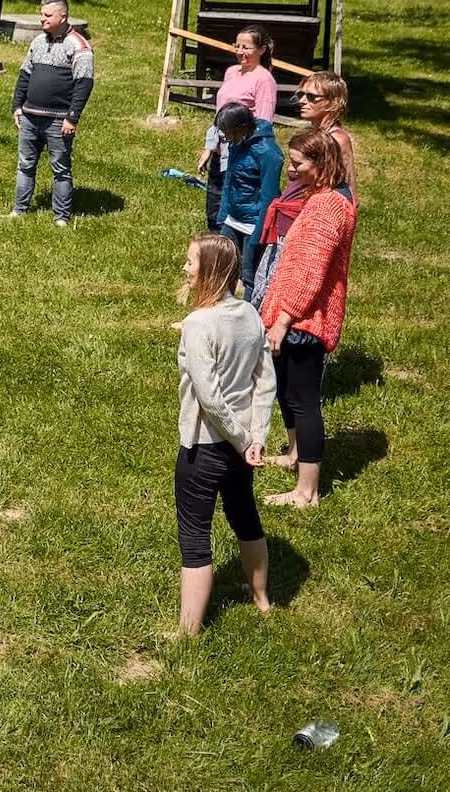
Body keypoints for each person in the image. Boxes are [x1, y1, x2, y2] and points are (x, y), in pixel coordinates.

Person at [173, 232, 277, 635]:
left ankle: (188, 631)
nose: (185, 267)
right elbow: (264, 380)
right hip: (241, 449)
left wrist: (240, 437)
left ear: (211, 271)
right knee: (244, 516)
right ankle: (262, 599)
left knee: (195, 535)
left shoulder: (201, 325)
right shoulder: (250, 314)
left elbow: (209, 395)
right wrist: (257, 437)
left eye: (191, 262)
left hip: (205, 446)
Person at [253, 128, 357, 508]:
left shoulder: (329, 206)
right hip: (293, 315)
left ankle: (307, 490)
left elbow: (310, 271)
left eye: (298, 165)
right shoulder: (321, 199)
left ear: (323, 163)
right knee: (288, 392)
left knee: (304, 400)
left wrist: (284, 318)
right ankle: (296, 454)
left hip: (305, 320)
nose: (292, 171)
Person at [10, 0, 94, 226]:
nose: (42, 19)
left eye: (47, 15)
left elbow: (84, 83)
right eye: (41, 14)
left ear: (63, 16)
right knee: (25, 165)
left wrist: (72, 118)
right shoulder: (37, 42)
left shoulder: (79, 46)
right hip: (29, 117)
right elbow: (25, 74)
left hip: (58, 121)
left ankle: (61, 217)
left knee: (60, 169)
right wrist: (17, 106)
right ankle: (20, 209)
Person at [200, 26, 277, 228]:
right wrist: (209, 147)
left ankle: (230, 253)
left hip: (241, 153)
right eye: (237, 46)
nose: (240, 52)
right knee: (213, 208)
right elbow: (220, 114)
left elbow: (263, 123)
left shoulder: (264, 80)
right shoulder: (231, 72)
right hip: (220, 150)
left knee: (230, 210)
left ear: (261, 50)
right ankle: (214, 253)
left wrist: (249, 157)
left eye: (247, 47)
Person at [214, 103, 283, 292]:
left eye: (228, 132)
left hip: (253, 223)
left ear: (242, 127)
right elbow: (229, 180)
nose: (226, 138)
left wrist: (259, 234)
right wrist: (223, 215)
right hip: (233, 218)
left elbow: (269, 197)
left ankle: (249, 318)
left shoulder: (269, 153)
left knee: (249, 276)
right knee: (221, 267)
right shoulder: (237, 143)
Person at [295, 71, 357, 197]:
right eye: (301, 94)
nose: (302, 101)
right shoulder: (311, 134)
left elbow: (349, 186)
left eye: (311, 97)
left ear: (333, 102)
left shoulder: (337, 139)